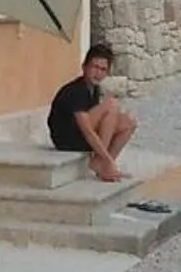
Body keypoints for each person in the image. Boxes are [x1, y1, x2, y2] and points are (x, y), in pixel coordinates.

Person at [47, 43, 134, 183]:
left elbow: (100, 122)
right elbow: (87, 130)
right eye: (95, 67)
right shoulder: (76, 90)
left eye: (103, 69)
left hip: (80, 135)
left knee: (129, 122)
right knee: (111, 105)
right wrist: (109, 160)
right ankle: (104, 163)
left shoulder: (94, 89)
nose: (98, 73)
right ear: (84, 67)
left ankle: (103, 166)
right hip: (67, 139)